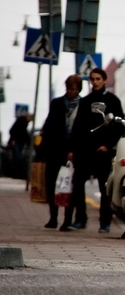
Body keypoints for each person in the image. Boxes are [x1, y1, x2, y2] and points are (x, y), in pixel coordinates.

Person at [61, 68, 124, 233]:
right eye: (92, 79)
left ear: (104, 80)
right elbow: (78, 126)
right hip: (84, 149)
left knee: (105, 188)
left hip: (102, 151)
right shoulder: (86, 101)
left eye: (98, 79)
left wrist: (108, 145)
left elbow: (118, 125)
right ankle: (80, 219)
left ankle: (105, 222)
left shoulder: (113, 101)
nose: (95, 82)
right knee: (78, 185)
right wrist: (73, 149)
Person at [40, 75, 83, 228]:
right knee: (52, 184)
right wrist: (42, 149)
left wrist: (74, 149)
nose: (70, 91)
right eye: (68, 88)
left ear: (78, 88)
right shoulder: (57, 103)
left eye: (73, 88)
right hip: (55, 149)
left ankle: (67, 220)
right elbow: (49, 125)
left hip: (74, 151)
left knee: (69, 186)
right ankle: (53, 218)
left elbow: (82, 130)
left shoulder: (83, 105)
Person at [8, 113, 34, 179]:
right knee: (17, 157)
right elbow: (12, 130)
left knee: (18, 157)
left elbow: (24, 134)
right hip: (16, 142)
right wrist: (13, 139)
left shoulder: (24, 124)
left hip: (19, 142)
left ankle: (16, 173)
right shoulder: (20, 122)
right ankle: (15, 174)